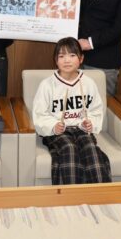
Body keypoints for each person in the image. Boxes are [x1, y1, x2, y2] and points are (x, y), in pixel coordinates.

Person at [32, 37, 110, 185]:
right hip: (58, 132)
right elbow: (40, 114)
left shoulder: (88, 83)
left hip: (81, 129)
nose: (67, 60)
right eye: (61, 56)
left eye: (72, 55)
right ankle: (71, 194)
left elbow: (96, 109)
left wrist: (89, 122)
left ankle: (100, 193)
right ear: (56, 60)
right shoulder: (47, 85)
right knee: (69, 149)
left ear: (81, 59)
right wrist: (53, 126)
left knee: (91, 149)